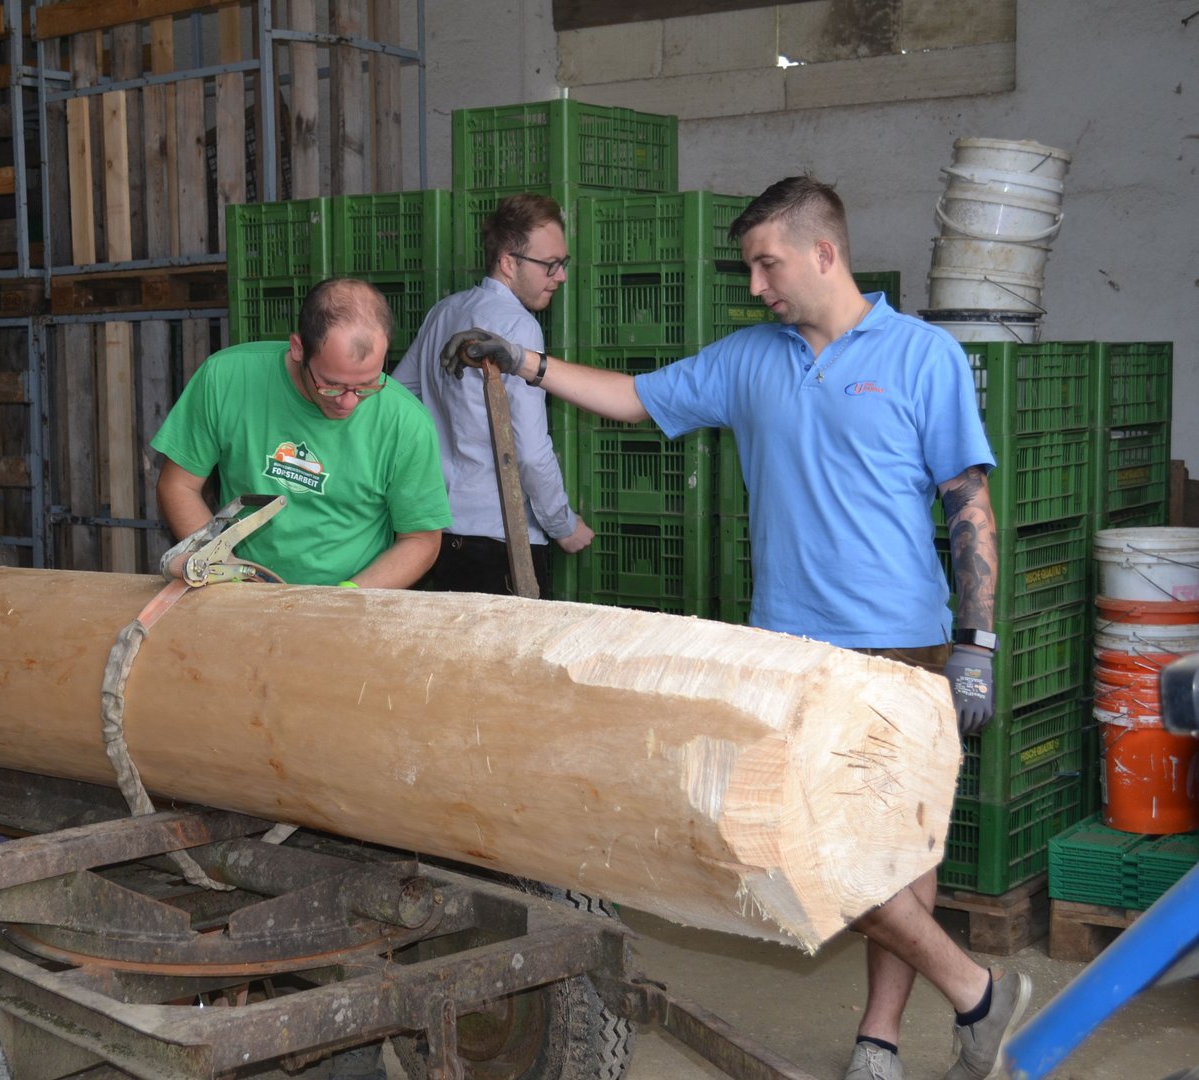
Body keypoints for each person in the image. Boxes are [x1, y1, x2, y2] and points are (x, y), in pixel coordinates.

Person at [442, 176, 1020, 1080]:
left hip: (902, 645)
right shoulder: (751, 358)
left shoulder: (922, 356)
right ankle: (976, 990)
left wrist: (976, 646)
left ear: (824, 252)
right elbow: (636, 397)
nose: (755, 285)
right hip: (785, 648)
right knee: (803, 848)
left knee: (899, 854)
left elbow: (968, 503)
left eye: (766, 264)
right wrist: (525, 364)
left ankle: (879, 1038)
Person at [152, 276, 451, 588]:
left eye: (366, 386)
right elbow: (178, 486)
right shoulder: (225, 379)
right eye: (332, 385)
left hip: (353, 596)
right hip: (243, 588)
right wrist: (228, 576)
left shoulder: (406, 422)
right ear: (298, 349)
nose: (348, 402)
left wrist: (347, 598)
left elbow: (420, 540)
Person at [391, 193, 593, 594]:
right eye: (550, 265)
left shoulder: (443, 312)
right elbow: (530, 450)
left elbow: (397, 399)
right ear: (508, 263)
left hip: (439, 534)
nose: (561, 277)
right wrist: (563, 525)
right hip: (501, 539)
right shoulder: (518, 328)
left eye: (563, 263)